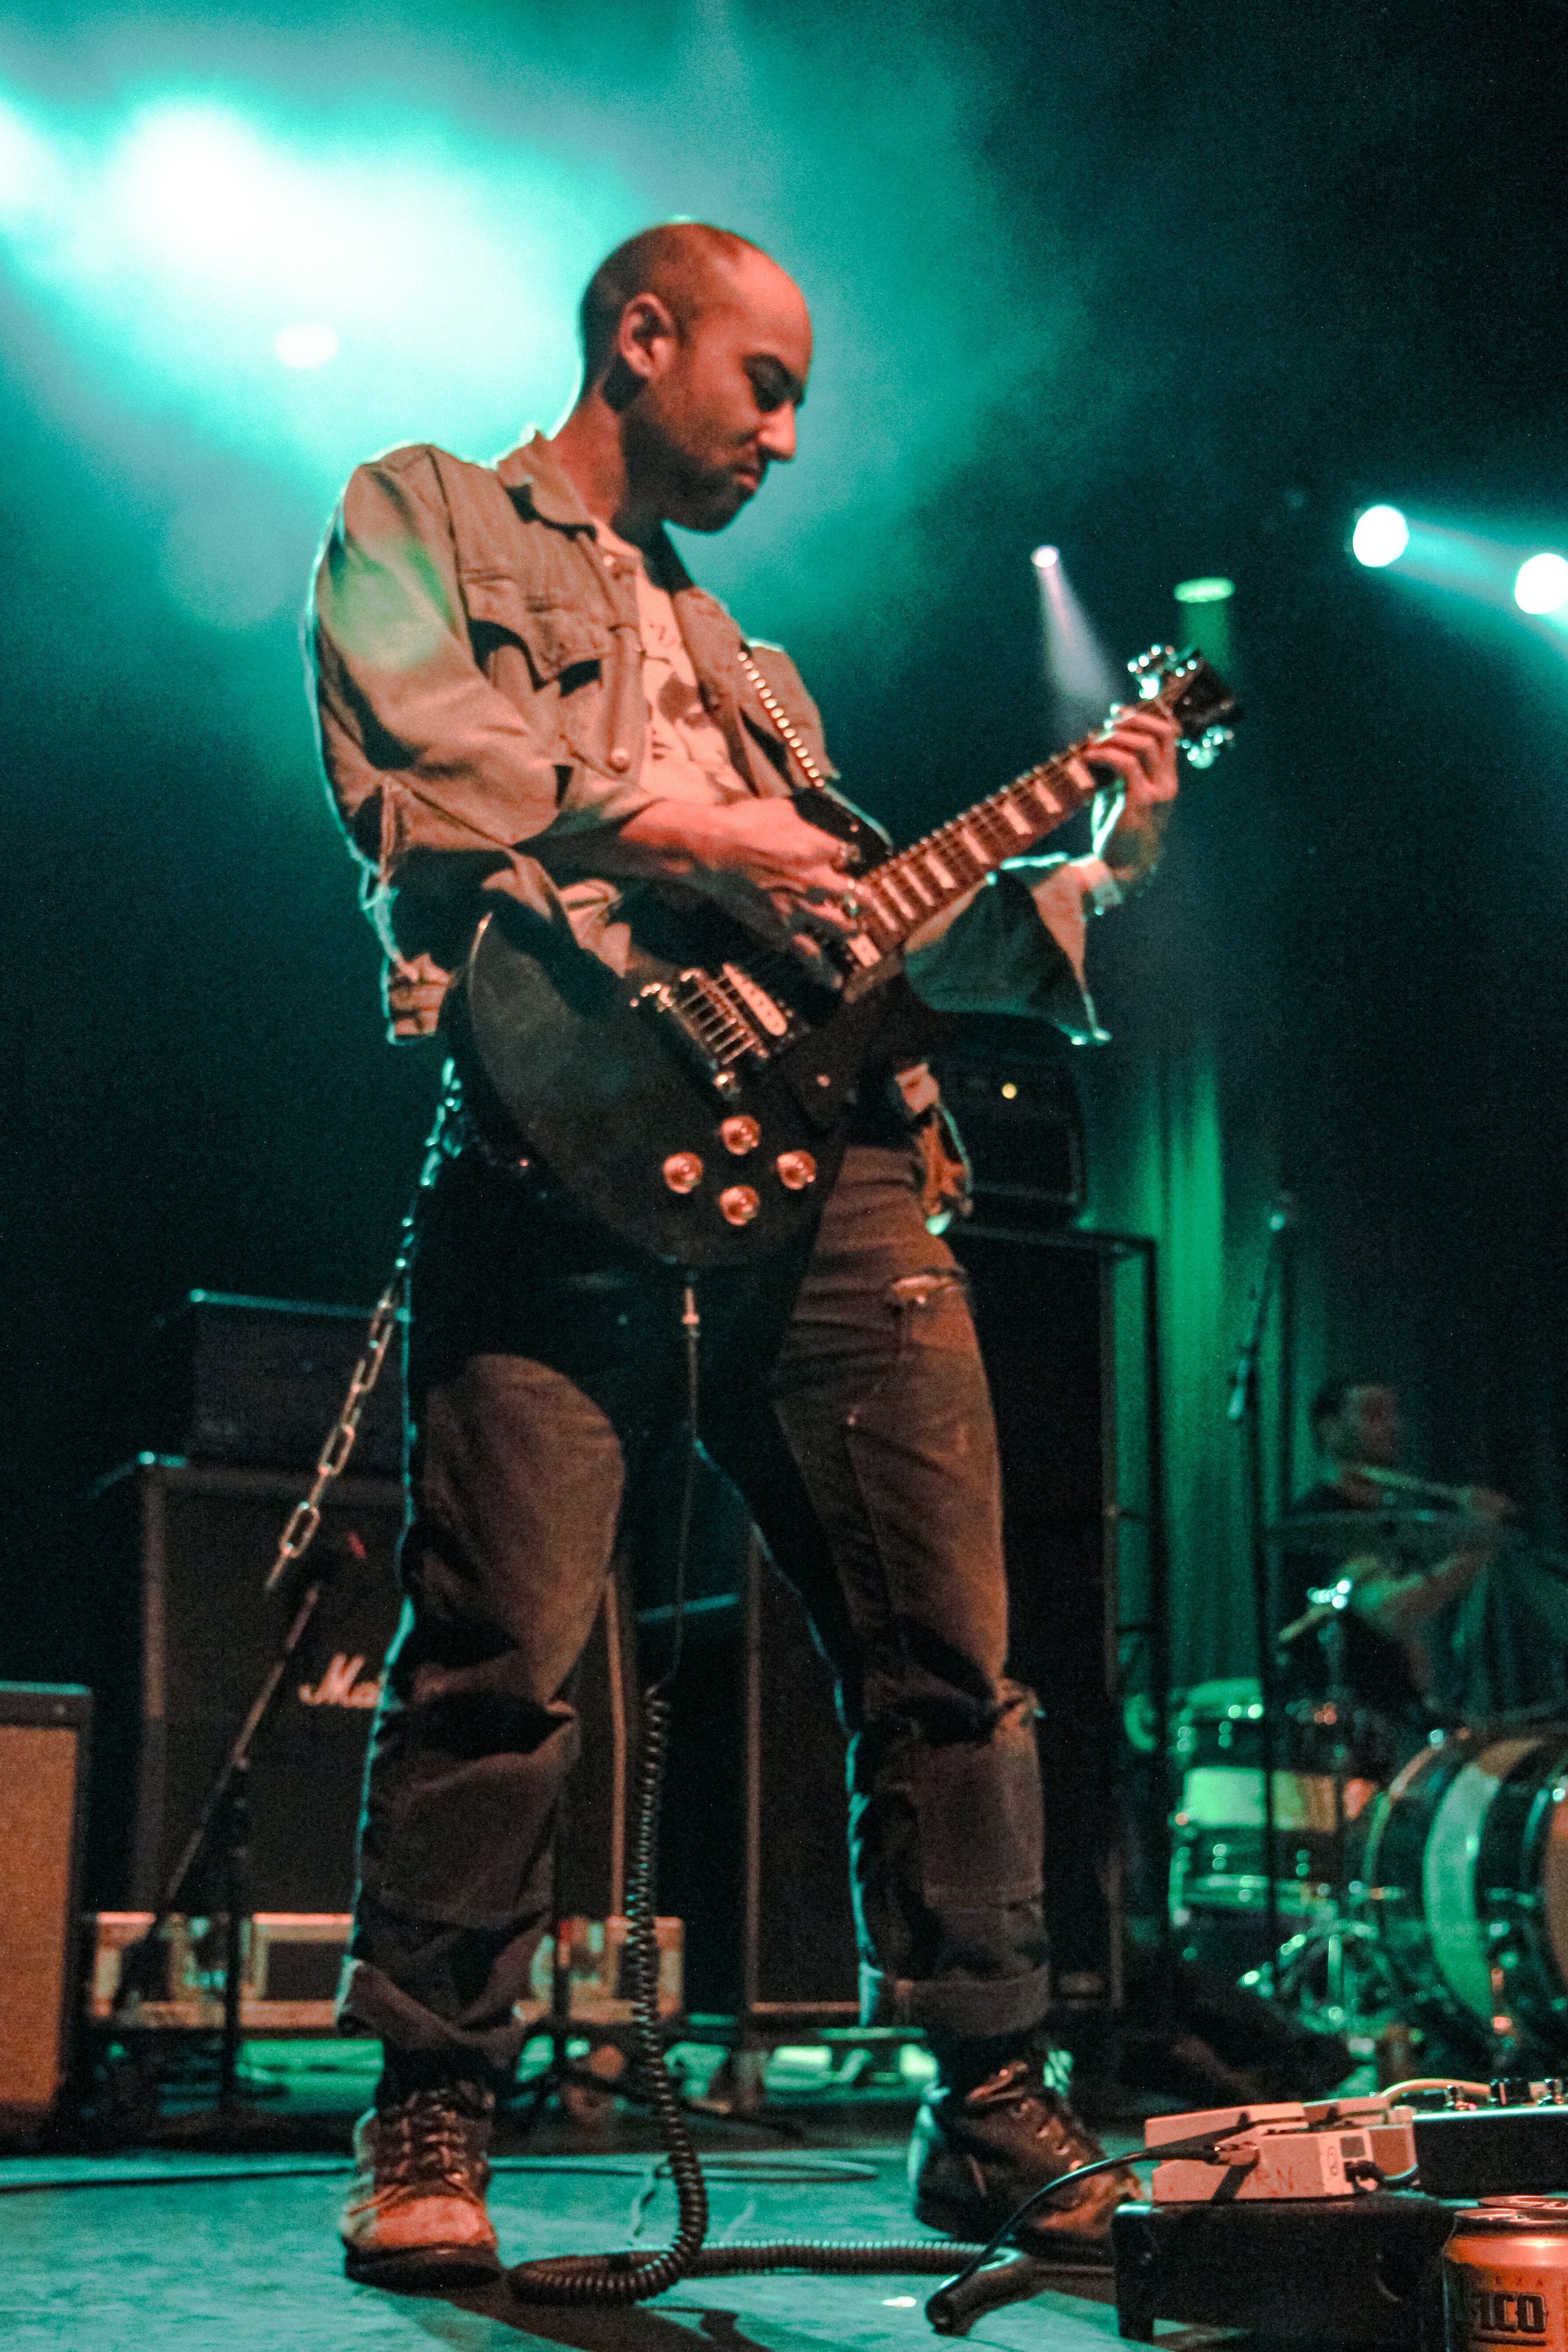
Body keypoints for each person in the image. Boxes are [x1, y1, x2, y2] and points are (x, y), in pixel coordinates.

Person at [307, 221, 1180, 2289]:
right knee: (500, 1658)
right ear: (642, 335)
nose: (786, 437)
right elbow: (418, 753)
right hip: (551, 1142)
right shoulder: (425, 513)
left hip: (841, 1174)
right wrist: (688, 833)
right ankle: (432, 2103)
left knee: (952, 1658)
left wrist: (1091, 870)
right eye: (763, 384)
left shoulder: (757, 673)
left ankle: (988, 2099)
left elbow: (871, 935)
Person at [1277, 1379, 1512, 1750]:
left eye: (1392, 1415)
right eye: (1373, 1414)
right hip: (1339, 1732)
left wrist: (1427, 1701)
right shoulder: (1321, 1518)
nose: (1391, 1427)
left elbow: (1408, 1638)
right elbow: (1390, 1611)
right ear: (1330, 1428)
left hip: (1397, 1725)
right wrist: (1479, 1545)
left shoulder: (1390, 1520)